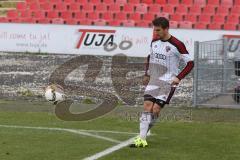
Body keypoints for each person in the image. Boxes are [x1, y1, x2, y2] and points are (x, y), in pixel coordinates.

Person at [130, 17, 194, 148]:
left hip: (169, 82)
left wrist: (179, 77)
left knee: (155, 110)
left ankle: (145, 131)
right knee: (147, 106)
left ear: (166, 29)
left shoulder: (177, 44)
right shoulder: (154, 41)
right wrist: (147, 73)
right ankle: (142, 139)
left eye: (158, 30)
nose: (155, 32)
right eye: (154, 29)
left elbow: (190, 63)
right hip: (154, 79)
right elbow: (150, 56)